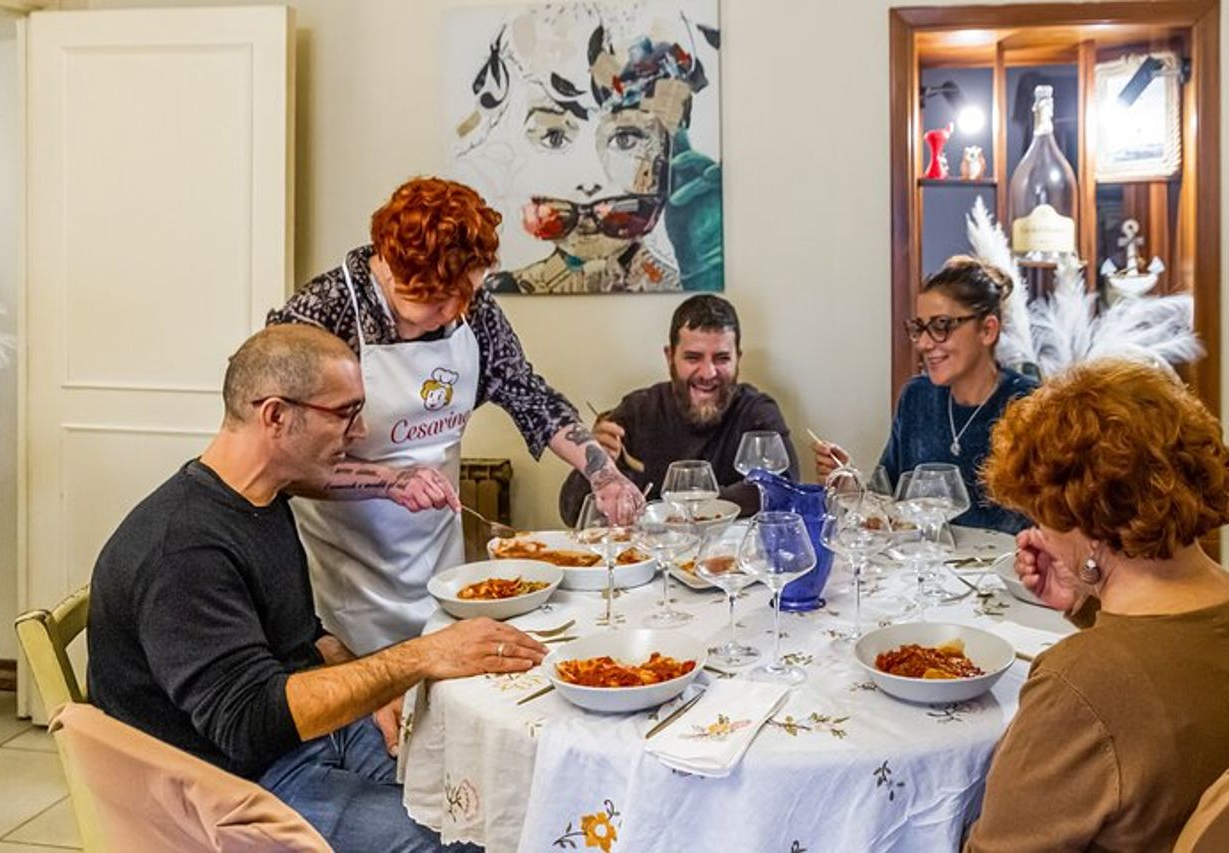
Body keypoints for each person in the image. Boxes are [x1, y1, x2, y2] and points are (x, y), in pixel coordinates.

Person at [87, 325, 546, 852]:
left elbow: (303, 636)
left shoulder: (263, 498)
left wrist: (374, 696)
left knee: (491, 795)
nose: (360, 431)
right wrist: (422, 656)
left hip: (306, 742)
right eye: (346, 412)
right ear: (276, 416)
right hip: (230, 789)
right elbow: (249, 722)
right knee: (469, 841)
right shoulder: (185, 553)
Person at [267, 176, 640, 655]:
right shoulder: (322, 313)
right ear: (391, 267)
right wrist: (390, 481)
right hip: (343, 571)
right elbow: (282, 461)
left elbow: (529, 395)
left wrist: (603, 473)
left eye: (465, 296)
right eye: (435, 301)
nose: (453, 313)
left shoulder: (470, 305)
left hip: (440, 559)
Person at [963, 359, 1229, 851]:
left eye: (1042, 515)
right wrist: (1087, 600)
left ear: (1089, 525)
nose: (1040, 534)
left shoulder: (1077, 689)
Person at [449, 3, 724, 294]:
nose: (591, 180)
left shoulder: (680, 281)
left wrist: (704, 270)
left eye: (625, 139)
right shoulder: (500, 290)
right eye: (554, 137)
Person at [813, 256, 1037, 533]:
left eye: (941, 326)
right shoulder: (916, 397)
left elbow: (1057, 520)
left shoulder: (1031, 405)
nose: (923, 343)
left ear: (988, 330)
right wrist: (850, 487)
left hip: (1010, 561)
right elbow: (889, 502)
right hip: (921, 559)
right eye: (919, 328)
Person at [559, 294, 796, 524]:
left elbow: (785, 492)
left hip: (735, 550)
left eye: (722, 358)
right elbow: (573, 513)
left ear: (738, 359)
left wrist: (678, 508)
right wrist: (597, 462)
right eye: (693, 358)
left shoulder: (756, 412)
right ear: (670, 357)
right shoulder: (637, 410)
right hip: (649, 551)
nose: (708, 373)